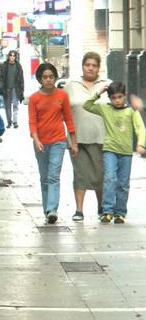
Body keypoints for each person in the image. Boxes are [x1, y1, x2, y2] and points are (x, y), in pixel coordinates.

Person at [84, 81, 146, 224]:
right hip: (110, 151)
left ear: (124, 96)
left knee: (123, 183)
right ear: (109, 98)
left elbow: (141, 128)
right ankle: (107, 211)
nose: (117, 100)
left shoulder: (131, 111)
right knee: (109, 179)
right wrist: (98, 93)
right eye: (113, 98)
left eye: (119, 97)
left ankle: (120, 212)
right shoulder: (105, 109)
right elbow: (87, 105)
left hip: (126, 153)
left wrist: (141, 144)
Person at [29, 63, 78, 224]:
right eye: (45, 77)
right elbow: (32, 122)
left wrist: (74, 142)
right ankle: (47, 209)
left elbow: (69, 120)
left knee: (53, 176)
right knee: (44, 177)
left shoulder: (62, 96)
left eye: (51, 77)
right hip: (41, 143)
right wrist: (36, 140)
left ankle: (52, 209)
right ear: (40, 79)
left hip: (58, 141)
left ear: (55, 78)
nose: (48, 80)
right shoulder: (34, 98)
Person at [64, 52, 110, 221]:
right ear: (82, 66)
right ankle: (79, 210)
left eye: (94, 65)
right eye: (87, 64)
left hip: (103, 138)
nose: (90, 68)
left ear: (99, 68)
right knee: (80, 174)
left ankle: (101, 207)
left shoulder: (107, 85)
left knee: (100, 174)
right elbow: (64, 111)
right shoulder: (71, 85)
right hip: (78, 139)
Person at [0, 51, 24, 128]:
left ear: (16, 57)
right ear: (8, 56)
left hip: (16, 89)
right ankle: (9, 122)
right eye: (11, 55)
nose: (12, 57)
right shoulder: (4, 66)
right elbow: (0, 78)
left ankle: (15, 122)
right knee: (7, 106)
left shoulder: (18, 66)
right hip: (6, 89)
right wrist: (1, 88)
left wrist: (22, 90)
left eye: (14, 56)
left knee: (15, 105)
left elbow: (21, 79)